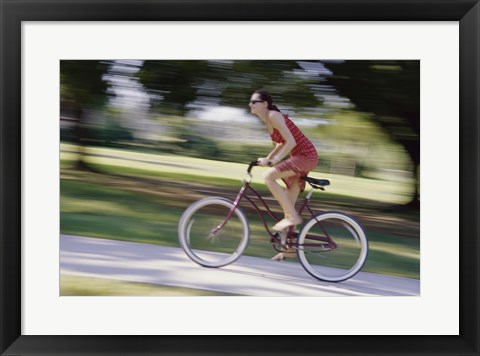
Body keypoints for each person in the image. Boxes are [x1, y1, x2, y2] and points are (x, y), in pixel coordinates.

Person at [249, 89, 318, 260]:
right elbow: (280, 144)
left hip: (306, 156)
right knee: (288, 204)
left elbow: (291, 141)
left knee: (268, 177)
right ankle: (289, 249)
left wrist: (274, 162)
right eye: (250, 102)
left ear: (264, 104)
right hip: (300, 157)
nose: (250, 104)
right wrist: (267, 159)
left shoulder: (273, 116)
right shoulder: (269, 121)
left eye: (254, 102)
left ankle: (293, 217)